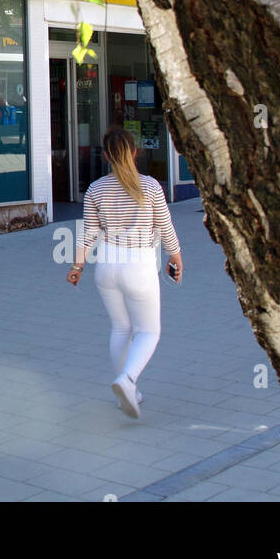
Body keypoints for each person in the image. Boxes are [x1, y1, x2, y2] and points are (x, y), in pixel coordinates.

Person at [67, 124, 182, 418]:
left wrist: (77, 265)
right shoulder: (152, 186)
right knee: (149, 331)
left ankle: (126, 395)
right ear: (134, 152)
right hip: (140, 265)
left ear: (106, 155)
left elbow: (88, 234)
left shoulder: (95, 188)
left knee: (120, 328)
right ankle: (128, 380)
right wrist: (176, 257)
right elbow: (166, 229)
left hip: (106, 266)